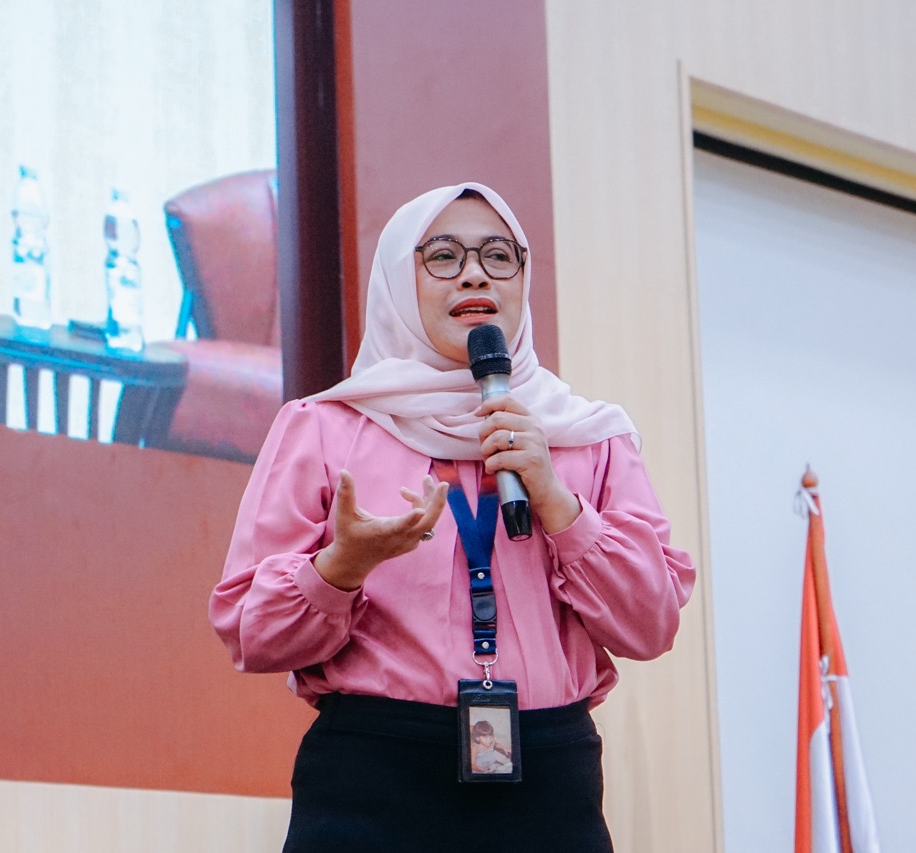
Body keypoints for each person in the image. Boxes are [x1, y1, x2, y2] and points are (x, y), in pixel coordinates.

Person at [209, 181, 695, 852]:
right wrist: (340, 566)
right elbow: (251, 631)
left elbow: (650, 624)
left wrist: (559, 503)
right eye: (443, 255)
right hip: (374, 773)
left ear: (523, 279)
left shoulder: (589, 437)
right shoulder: (323, 428)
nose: (474, 273)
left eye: (498, 255)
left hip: (549, 779)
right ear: (397, 280)